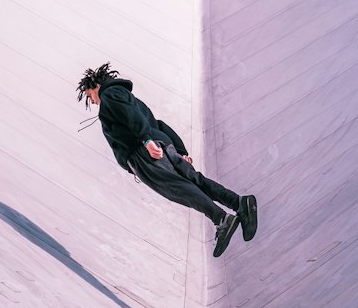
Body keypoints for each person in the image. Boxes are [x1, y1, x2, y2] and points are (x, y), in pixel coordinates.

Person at [76, 63, 257, 258]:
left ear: (95, 85)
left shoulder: (109, 96)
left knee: (177, 188)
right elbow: (159, 124)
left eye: (89, 96)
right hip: (162, 144)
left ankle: (221, 219)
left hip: (143, 152)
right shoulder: (128, 97)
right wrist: (180, 151)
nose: (92, 101)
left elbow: (131, 118)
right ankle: (240, 203)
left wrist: (146, 142)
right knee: (195, 181)